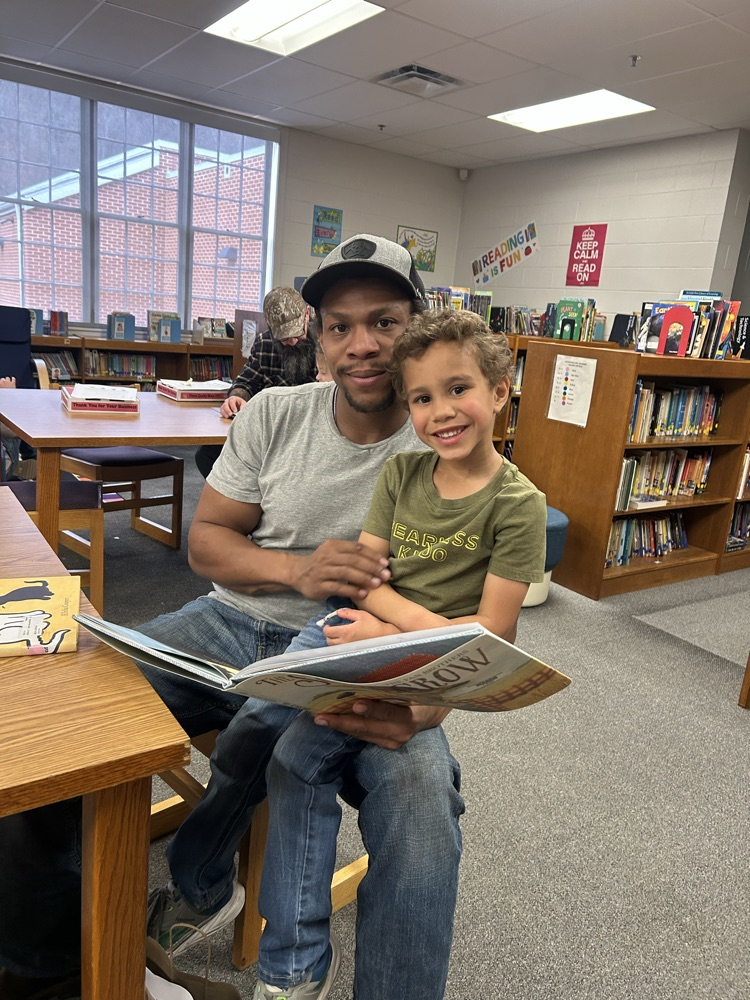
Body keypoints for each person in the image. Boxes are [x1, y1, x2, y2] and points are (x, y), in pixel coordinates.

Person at [0, 235, 463, 1000]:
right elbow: (209, 543)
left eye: (384, 321)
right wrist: (297, 569)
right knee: (53, 732)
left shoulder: (448, 435)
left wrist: (429, 699)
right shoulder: (275, 415)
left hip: (363, 658)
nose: (363, 346)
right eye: (340, 325)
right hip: (228, 625)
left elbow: (466, 615)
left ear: (419, 327)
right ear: (315, 338)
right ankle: (44, 970)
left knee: (423, 811)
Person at [251, 309, 547, 998]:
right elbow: (364, 582)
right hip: (358, 632)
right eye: (421, 397)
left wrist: (399, 635)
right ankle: (291, 970)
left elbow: (492, 640)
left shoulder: (518, 504)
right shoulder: (403, 477)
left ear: (501, 389)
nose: (440, 411)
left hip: (425, 666)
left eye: (458, 389)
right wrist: (409, 627)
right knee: (276, 741)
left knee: (407, 788)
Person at [194, 286, 318, 478]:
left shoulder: (325, 342)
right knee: (207, 455)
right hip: (269, 430)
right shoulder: (265, 343)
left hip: (308, 431)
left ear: (307, 315)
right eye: (284, 337)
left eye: (297, 333)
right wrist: (236, 397)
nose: (292, 342)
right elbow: (245, 383)